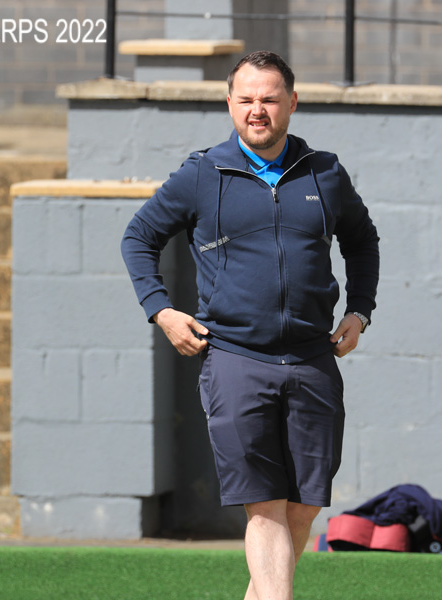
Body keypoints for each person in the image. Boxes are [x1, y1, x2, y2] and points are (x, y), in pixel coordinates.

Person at [121, 50, 379, 600]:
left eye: (268, 99)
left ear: (291, 102)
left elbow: (362, 241)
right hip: (235, 359)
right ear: (229, 103)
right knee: (263, 508)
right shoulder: (202, 173)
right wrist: (161, 311)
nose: (256, 110)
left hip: (313, 359)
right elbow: (138, 237)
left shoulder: (325, 172)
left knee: (303, 508)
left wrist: (360, 310)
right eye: (246, 100)